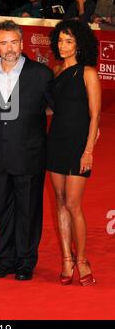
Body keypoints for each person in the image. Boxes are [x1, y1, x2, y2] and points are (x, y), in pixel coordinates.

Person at [0, 20, 53, 281]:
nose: (9, 48)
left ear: (22, 43)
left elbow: (54, 108)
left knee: (28, 209)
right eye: (4, 42)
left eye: (14, 42)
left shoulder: (41, 74)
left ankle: (25, 261)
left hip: (30, 153)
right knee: (0, 209)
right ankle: (5, 259)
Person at [47, 20, 101, 286]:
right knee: (59, 200)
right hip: (55, 141)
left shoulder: (88, 73)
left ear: (80, 43)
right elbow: (52, 109)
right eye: (60, 40)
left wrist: (88, 150)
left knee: (73, 203)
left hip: (79, 144)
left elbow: (95, 116)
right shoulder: (56, 72)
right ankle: (66, 259)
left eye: (69, 41)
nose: (63, 45)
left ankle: (82, 259)